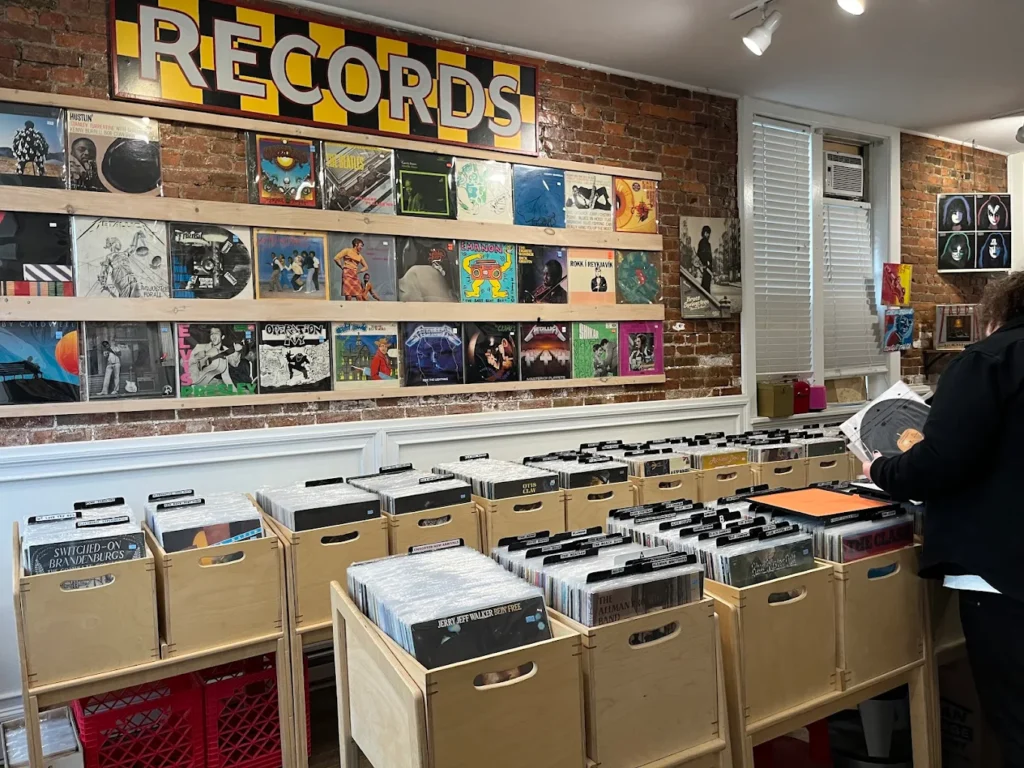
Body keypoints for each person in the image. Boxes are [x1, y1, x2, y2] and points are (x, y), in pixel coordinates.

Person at [864, 272, 1024, 766]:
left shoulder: (987, 360)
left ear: (993, 315)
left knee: (1017, 716)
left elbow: (940, 461)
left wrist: (881, 468)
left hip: (1002, 568)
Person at [698, 225, 714, 294]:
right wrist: (706, 262)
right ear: (704, 233)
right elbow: (700, 253)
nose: (709, 235)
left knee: (706, 285)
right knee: (706, 286)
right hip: (706, 267)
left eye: (709, 233)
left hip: (707, 267)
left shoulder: (705, 243)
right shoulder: (703, 242)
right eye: (707, 233)